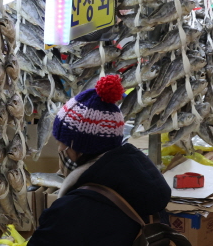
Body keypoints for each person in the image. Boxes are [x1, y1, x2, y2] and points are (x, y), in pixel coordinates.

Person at [28, 75, 171, 246]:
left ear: (77, 150)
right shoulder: (144, 186)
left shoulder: (74, 210)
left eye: (61, 144)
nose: (60, 150)